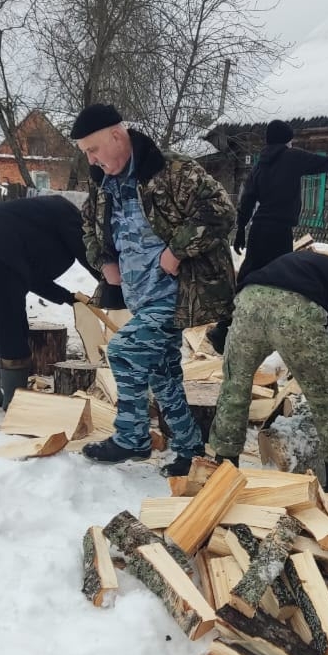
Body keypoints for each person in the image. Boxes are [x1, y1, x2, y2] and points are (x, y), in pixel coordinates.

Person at [71, 103, 236, 476]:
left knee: (125, 351)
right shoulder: (104, 183)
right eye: (86, 154)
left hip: (179, 294)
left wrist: (177, 251)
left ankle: (132, 439)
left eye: (94, 149)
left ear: (117, 135)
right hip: (139, 296)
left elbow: (221, 211)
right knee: (163, 374)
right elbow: (87, 226)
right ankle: (190, 449)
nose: (92, 160)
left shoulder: (173, 170)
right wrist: (104, 261)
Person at [209, 251, 328, 492]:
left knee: (234, 386)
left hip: (249, 298)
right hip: (296, 309)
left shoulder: (320, 269)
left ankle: (224, 466)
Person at [206, 120, 328, 353]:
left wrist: (242, 229)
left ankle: (223, 329)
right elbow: (326, 162)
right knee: (285, 281)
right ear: (287, 139)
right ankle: (278, 333)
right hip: (279, 232)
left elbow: (247, 199)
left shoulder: (260, 164)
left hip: (259, 230)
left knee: (247, 277)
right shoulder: (292, 157)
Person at [0, 195, 98, 409]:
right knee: (10, 324)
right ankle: (15, 401)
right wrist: (109, 283)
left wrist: (67, 297)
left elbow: (31, 277)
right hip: (0, 253)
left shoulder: (36, 220)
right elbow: (87, 253)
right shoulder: (69, 216)